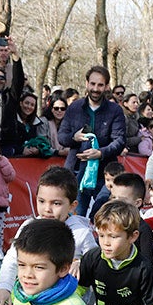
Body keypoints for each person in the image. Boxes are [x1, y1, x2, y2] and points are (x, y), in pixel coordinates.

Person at [0, 166, 99, 305]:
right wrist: (4, 287)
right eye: (41, 201)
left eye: (56, 203)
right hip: (33, 304)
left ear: (72, 206)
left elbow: (96, 263)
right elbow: (12, 258)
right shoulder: (29, 226)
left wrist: (81, 262)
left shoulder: (81, 233)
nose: (47, 208)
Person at [58, 64, 125, 213]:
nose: (95, 88)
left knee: (104, 216)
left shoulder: (115, 110)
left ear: (107, 86)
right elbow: (62, 137)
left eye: (100, 85)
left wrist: (100, 153)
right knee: (76, 217)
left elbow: (120, 141)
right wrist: (73, 137)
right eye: (93, 84)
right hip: (77, 172)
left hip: (105, 174)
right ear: (86, 83)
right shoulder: (74, 107)